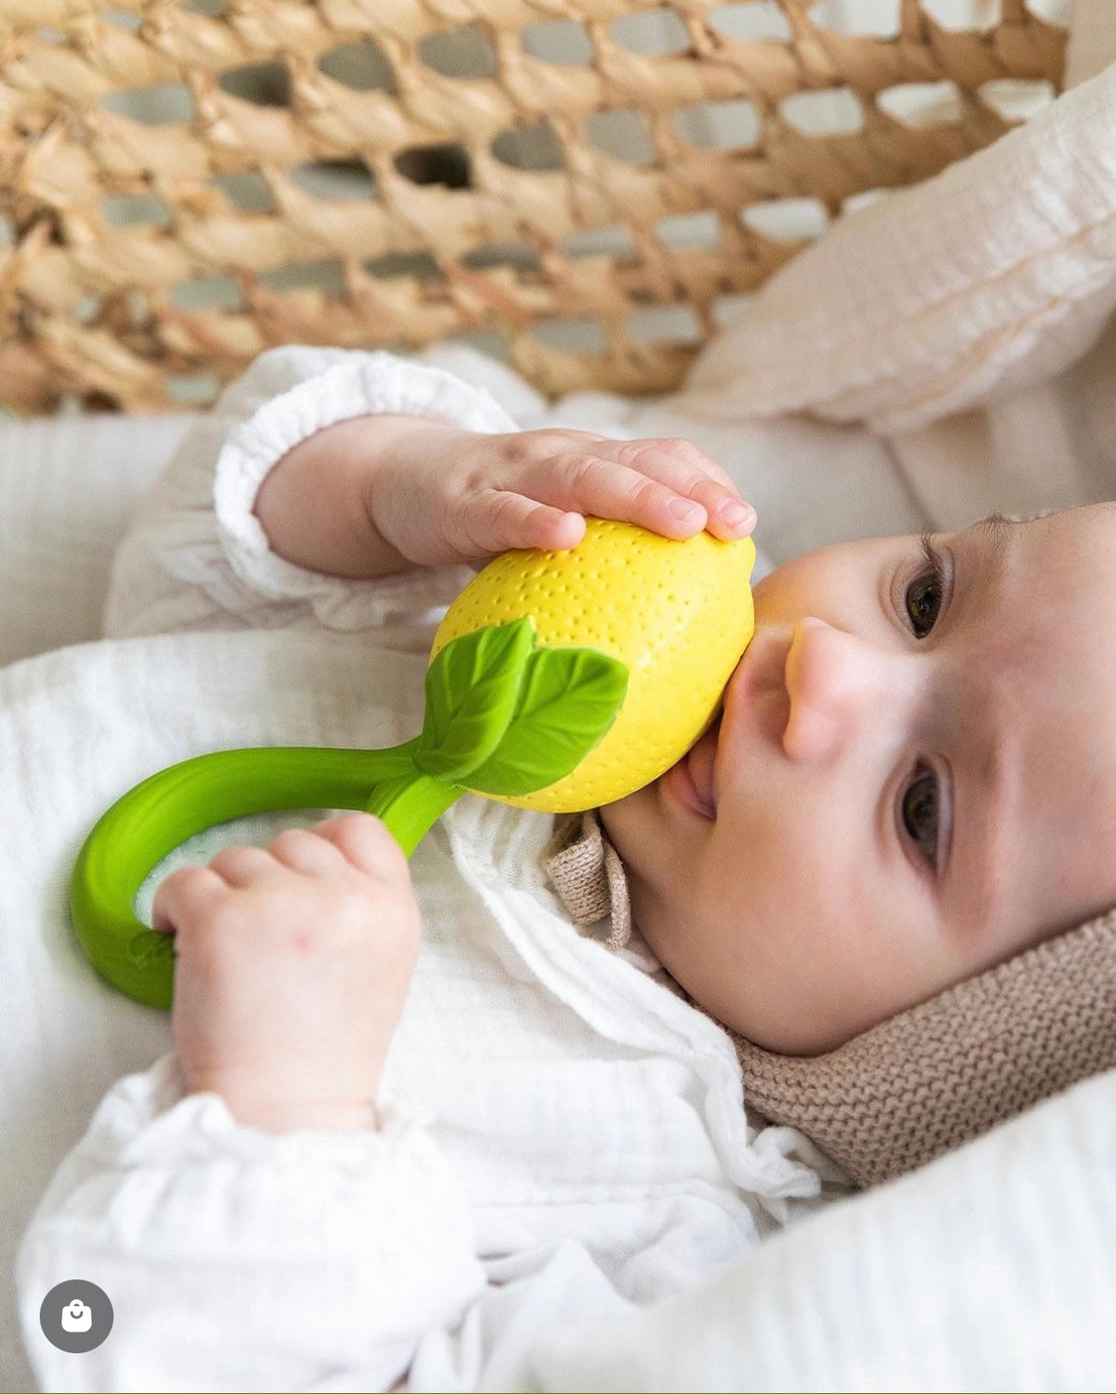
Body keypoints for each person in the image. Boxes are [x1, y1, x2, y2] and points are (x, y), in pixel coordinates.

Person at [14, 343, 1116, 1392]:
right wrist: (401, 487)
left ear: (953, 1056)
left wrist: (286, 1101)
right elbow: (176, 579)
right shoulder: (523, 643)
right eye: (927, 598)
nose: (825, 667)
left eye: (923, 807)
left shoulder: (669, 1240)